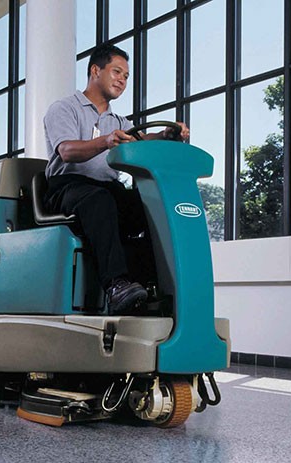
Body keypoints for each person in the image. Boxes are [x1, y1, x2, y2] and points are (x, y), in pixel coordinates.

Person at [43, 43, 189, 315]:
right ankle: (116, 286)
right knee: (99, 200)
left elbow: (141, 141)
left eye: (126, 76)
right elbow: (66, 151)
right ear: (95, 71)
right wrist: (105, 141)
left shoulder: (120, 121)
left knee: (150, 207)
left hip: (107, 190)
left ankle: (152, 286)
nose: (122, 79)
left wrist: (166, 135)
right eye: (117, 71)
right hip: (67, 188)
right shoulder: (64, 108)